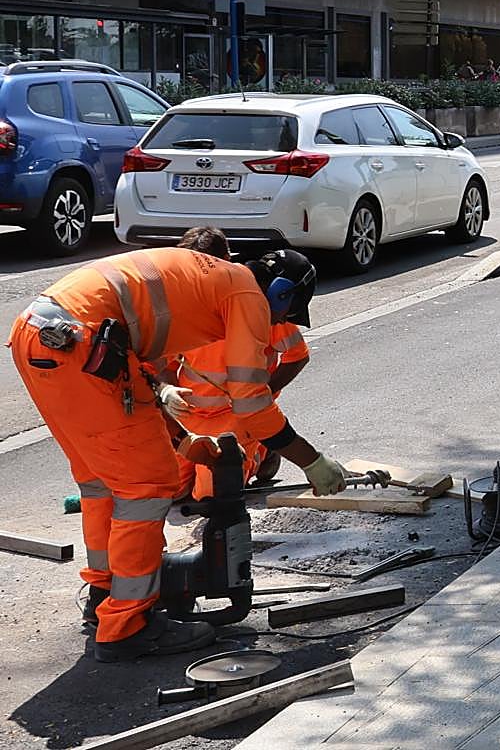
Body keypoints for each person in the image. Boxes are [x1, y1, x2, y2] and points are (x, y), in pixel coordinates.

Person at [9, 246, 348, 661]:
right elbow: (251, 402)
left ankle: (106, 592)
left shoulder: (208, 280)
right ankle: (127, 626)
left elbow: (137, 370)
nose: (279, 323)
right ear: (281, 294)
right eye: (285, 313)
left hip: (44, 337)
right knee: (148, 489)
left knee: (101, 482)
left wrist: (184, 439)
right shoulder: (247, 296)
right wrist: (311, 460)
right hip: (82, 345)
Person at [155, 227, 310, 501]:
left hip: (235, 417)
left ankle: (263, 447)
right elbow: (162, 363)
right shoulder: (185, 304)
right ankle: (260, 443)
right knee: (168, 490)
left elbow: (296, 355)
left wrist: (262, 400)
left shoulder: (255, 301)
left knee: (212, 494)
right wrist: (168, 391)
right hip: (190, 416)